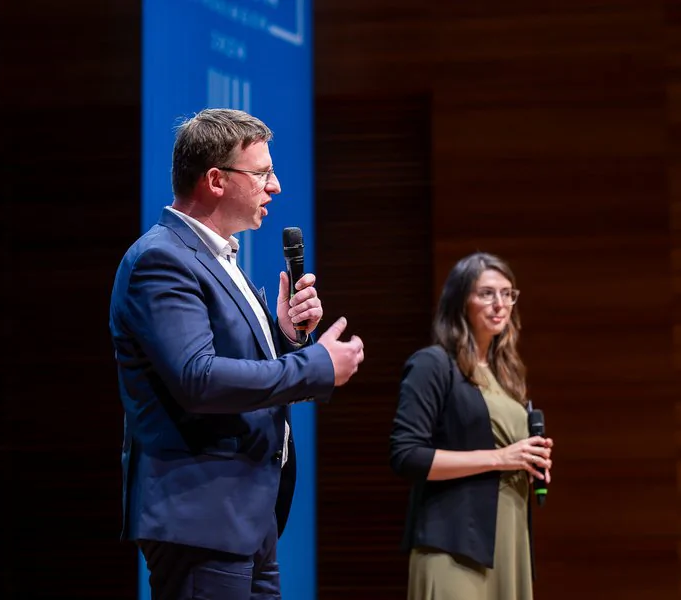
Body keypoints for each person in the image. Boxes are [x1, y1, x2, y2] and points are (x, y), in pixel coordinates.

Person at [109, 108, 364, 599]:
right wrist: (315, 365)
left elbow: (235, 363)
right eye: (263, 173)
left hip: (245, 514)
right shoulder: (162, 259)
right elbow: (198, 379)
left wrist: (285, 337)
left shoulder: (217, 256)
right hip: (201, 513)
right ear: (215, 180)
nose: (276, 186)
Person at [389, 252, 553, 600]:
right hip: (455, 547)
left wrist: (528, 462)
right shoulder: (433, 364)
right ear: (461, 300)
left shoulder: (505, 374)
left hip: (510, 540)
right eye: (487, 293)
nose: (500, 304)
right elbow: (407, 455)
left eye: (507, 294)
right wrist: (501, 458)